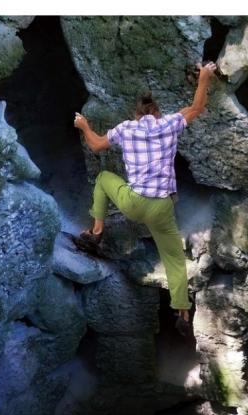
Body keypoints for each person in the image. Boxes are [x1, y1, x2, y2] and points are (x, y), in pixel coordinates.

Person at [72, 61, 218, 326]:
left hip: (133, 203)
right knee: (173, 258)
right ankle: (181, 309)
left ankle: (96, 233)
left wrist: (84, 126)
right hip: (161, 207)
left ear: (136, 113)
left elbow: (95, 145)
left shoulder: (126, 128)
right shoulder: (170, 124)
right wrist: (204, 77)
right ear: (158, 113)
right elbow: (196, 108)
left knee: (104, 178)